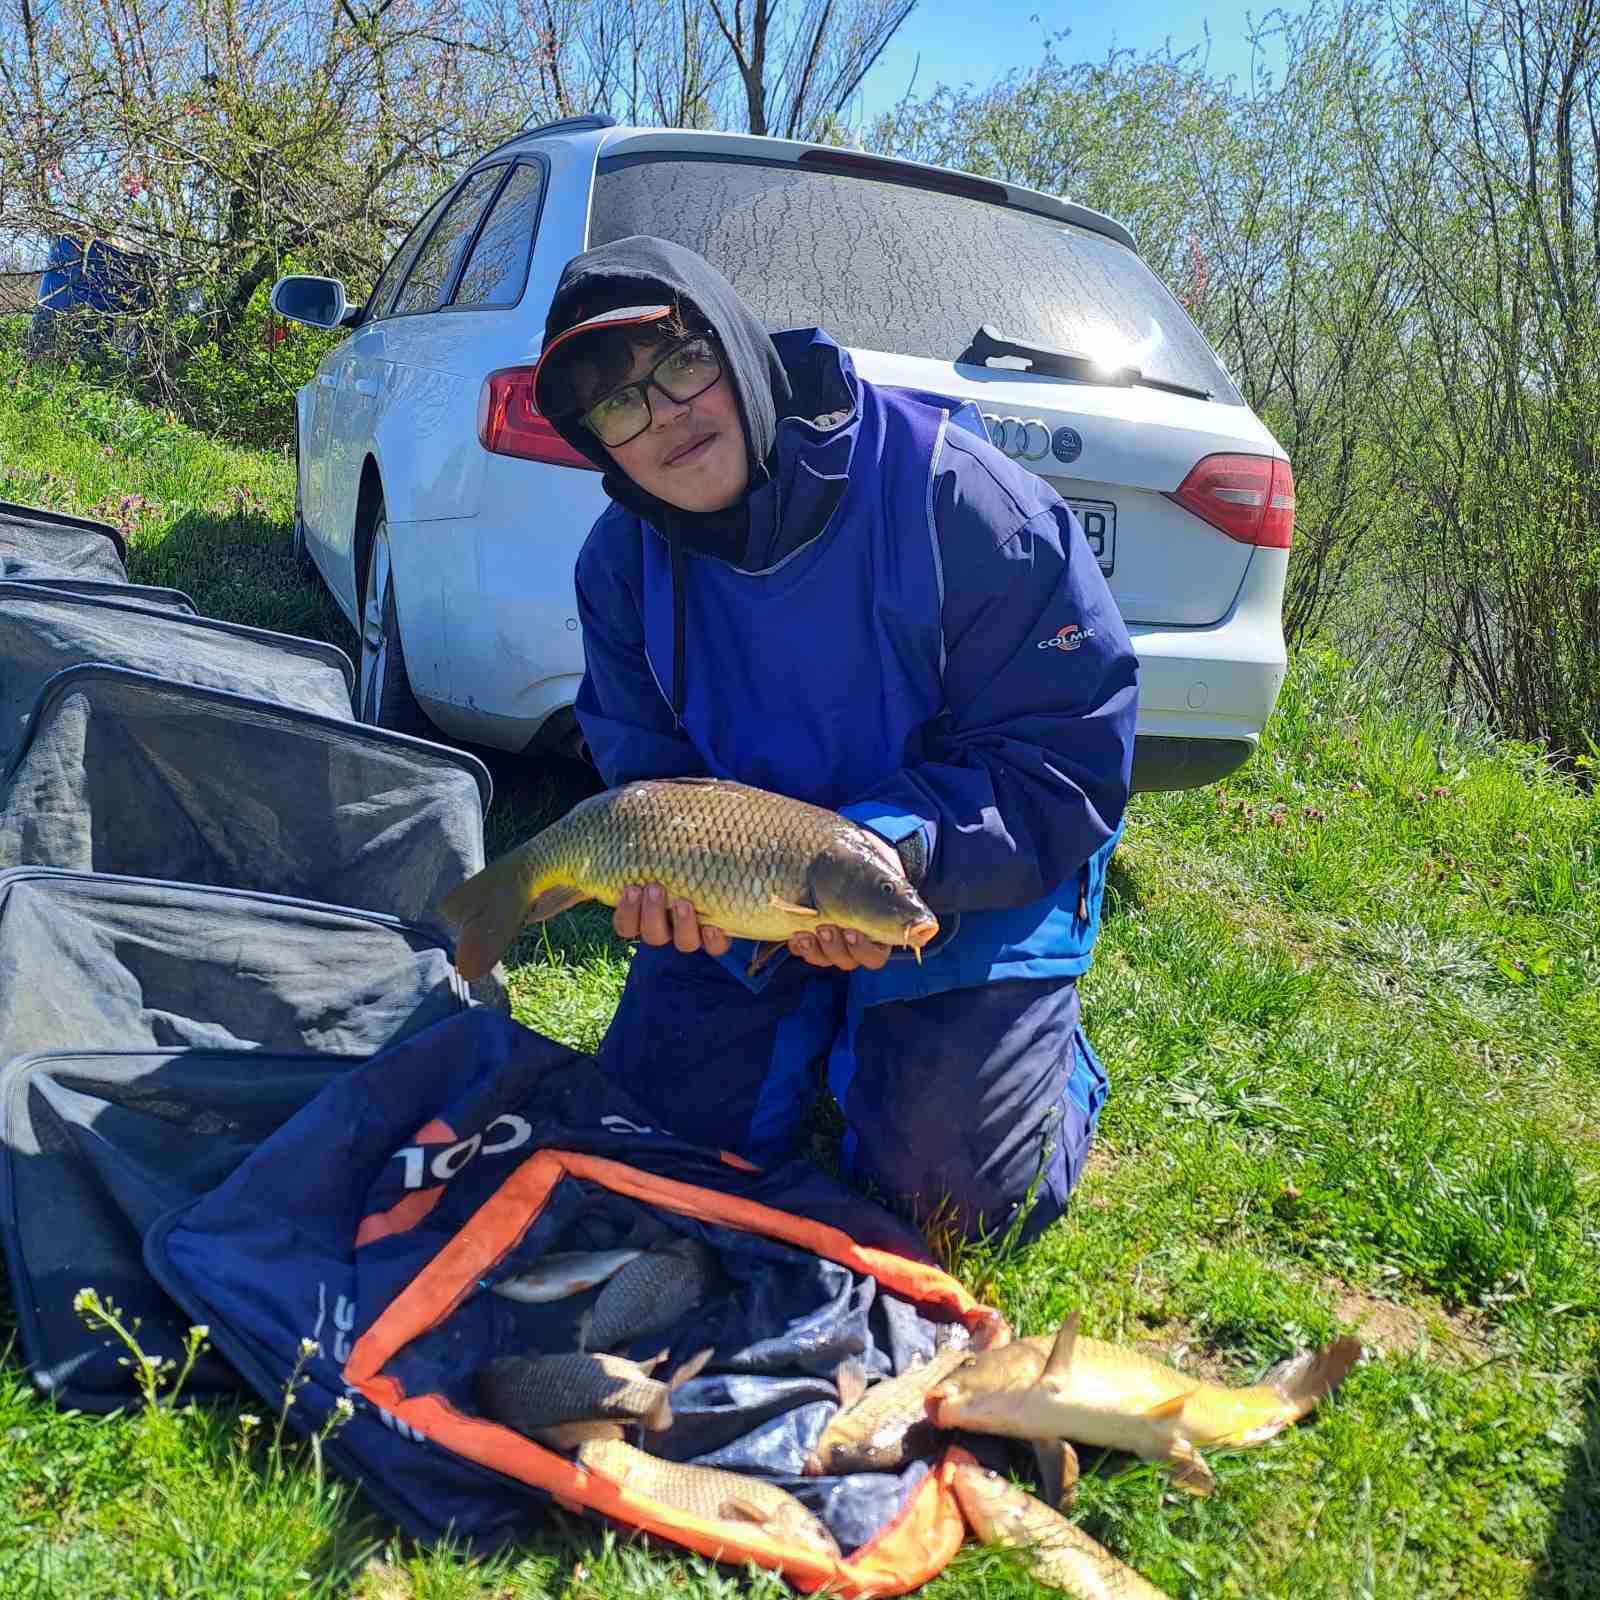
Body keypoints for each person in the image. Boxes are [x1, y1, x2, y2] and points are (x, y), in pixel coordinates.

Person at [531, 236, 1138, 1245]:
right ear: (602, 446)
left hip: (956, 873)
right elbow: (651, 783)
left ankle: (1022, 1048)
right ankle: (823, 1017)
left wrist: (893, 850)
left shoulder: (958, 496)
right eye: (619, 404)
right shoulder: (617, 570)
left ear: (735, 347)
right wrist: (670, 894)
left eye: (681, 363)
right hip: (754, 891)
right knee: (652, 1146)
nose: (667, 416)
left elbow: (1066, 756)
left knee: (950, 1200)